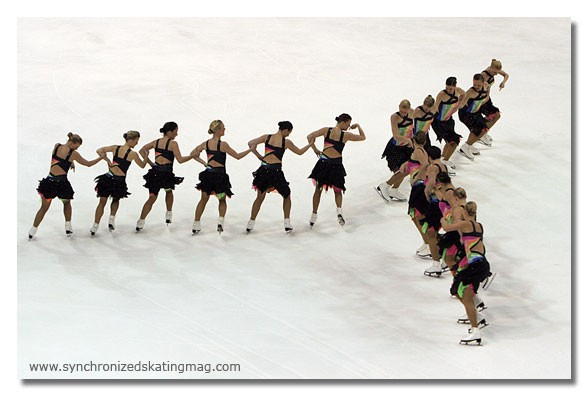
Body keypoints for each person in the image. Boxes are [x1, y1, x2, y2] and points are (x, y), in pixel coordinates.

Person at [29, 133, 106, 239]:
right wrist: (101, 158)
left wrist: (70, 163)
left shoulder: (57, 146)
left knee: (43, 208)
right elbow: (88, 164)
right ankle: (68, 226)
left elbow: (59, 160)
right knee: (66, 203)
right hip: (62, 185)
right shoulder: (73, 154)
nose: (77, 148)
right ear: (71, 142)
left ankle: (33, 230)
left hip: (49, 183)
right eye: (77, 146)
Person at [245, 121, 312, 233]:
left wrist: (260, 157)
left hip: (263, 170)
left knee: (260, 198)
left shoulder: (267, 137)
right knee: (287, 195)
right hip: (275, 172)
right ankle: (287, 223)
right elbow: (299, 152)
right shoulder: (286, 142)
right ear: (285, 130)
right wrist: (310, 145)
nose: (289, 134)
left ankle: (250, 223)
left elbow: (250, 143)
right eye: (289, 132)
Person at [441, 201, 492, 345]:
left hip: (475, 265)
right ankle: (476, 316)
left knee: (463, 293)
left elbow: (446, 227)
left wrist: (443, 219)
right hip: (479, 264)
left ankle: (475, 329)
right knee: (457, 290)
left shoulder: (465, 225)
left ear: (465, 213)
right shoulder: (479, 225)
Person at [191, 120, 251, 234]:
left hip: (208, 176)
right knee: (222, 199)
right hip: (219, 177)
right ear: (218, 130)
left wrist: (204, 163)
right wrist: (250, 150)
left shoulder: (206, 143)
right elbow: (237, 156)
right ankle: (220, 222)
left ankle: (196, 224)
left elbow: (193, 154)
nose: (225, 129)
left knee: (203, 199)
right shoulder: (223, 145)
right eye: (223, 128)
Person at [307, 113, 366, 227]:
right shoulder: (346, 135)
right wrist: (358, 126)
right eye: (348, 124)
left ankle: (314, 215)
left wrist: (315, 149)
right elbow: (363, 137)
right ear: (343, 122)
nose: (348, 127)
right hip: (336, 164)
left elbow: (309, 136)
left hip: (323, 163)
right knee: (338, 190)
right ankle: (339, 211)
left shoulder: (326, 130)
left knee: (318, 189)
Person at [136, 122, 193, 231]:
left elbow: (142, 150)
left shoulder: (156, 142)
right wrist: (192, 156)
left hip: (155, 173)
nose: (177, 134)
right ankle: (169, 213)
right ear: (170, 132)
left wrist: (150, 163)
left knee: (152, 197)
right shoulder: (173, 144)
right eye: (175, 132)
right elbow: (180, 160)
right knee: (168, 191)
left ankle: (140, 222)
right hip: (166, 174)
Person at [90, 131, 148, 236]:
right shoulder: (133, 154)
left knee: (102, 202)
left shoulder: (115, 148)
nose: (136, 144)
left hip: (108, 177)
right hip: (119, 181)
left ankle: (95, 225)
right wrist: (146, 157)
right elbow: (142, 165)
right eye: (136, 141)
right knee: (115, 200)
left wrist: (108, 161)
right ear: (130, 140)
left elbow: (99, 150)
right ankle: (111, 219)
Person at [421, 148, 451, 276]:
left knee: (431, 232)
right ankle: (445, 259)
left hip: (436, 203)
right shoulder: (443, 166)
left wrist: (426, 194)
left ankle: (436, 264)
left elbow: (431, 183)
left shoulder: (432, 167)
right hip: (444, 203)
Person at [376, 100, 414, 202]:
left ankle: (394, 189)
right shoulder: (394, 117)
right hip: (395, 147)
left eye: (405, 112)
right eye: (401, 111)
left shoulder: (412, 113)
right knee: (403, 170)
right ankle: (385, 185)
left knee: (408, 168)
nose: (403, 114)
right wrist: (408, 140)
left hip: (407, 147)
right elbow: (396, 136)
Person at [431, 77, 466, 173]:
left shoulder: (458, 91)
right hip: (438, 122)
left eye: (450, 88)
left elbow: (464, 94)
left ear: (455, 87)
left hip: (449, 120)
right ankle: (443, 162)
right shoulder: (442, 94)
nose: (448, 90)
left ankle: (444, 159)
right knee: (453, 141)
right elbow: (435, 108)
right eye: (447, 88)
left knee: (450, 141)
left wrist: (460, 104)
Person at [404, 131, 430, 259]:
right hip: (419, 186)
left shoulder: (419, 151)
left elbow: (425, 164)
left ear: (414, 141)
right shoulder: (421, 150)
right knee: (415, 215)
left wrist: (416, 179)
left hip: (419, 186)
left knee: (417, 215)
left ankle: (429, 244)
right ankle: (426, 242)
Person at [457, 74, 491, 161]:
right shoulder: (470, 92)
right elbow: (461, 106)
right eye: (474, 84)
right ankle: (466, 147)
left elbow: (486, 97)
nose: (476, 87)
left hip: (475, 112)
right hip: (465, 114)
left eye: (478, 85)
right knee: (477, 129)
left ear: (483, 82)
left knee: (483, 129)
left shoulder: (486, 85)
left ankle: (469, 144)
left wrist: (479, 105)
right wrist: (459, 100)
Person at [477, 59, 509, 146]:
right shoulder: (484, 75)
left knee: (493, 115)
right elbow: (479, 88)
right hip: (481, 98)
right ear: (491, 68)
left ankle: (482, 131)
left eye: (497, 72)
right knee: (494, 115)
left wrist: (503, 82)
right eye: (495, 72)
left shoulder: (494, 70)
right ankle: (481, 133)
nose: (496, 74)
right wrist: (485, 98)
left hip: (486, 97)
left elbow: (506, 75)